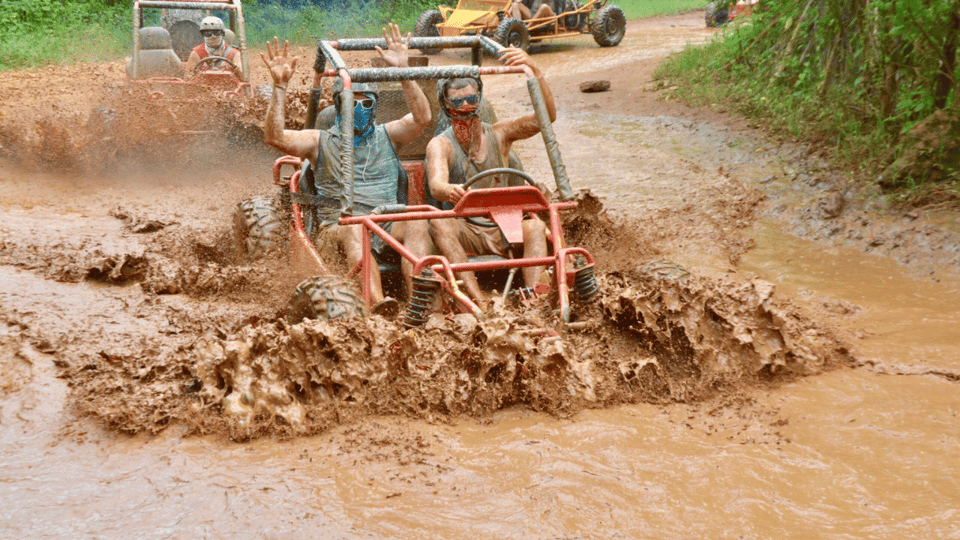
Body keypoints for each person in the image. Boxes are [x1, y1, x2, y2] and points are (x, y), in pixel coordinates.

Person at [261, 24, 432, 313]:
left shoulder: (388, 135)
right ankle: (378, 303)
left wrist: (403, 72)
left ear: (376, 105)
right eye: (354, 101)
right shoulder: (320, 140)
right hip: (340, 227)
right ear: (340, 105)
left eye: (368, 102)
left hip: (386, 221)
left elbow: (422, 118)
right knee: (355, 230)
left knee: (417, 221)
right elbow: (275, 137)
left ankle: (421, 302)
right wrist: (279, 87)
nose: (361, 108)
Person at [425, 47, 556, 312]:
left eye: (471, 98)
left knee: (534, 226)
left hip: (503, 224)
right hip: (467, 228)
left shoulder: (500, 134)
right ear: (446, 104)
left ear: (480, 98)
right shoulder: (441, 144)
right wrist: (449, 189)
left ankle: (535, 299)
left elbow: (547, 118)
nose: (466, 106)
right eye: (458, 101)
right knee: (439, 223)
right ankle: (476, 299)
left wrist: (536, 71)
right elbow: (436, 184)